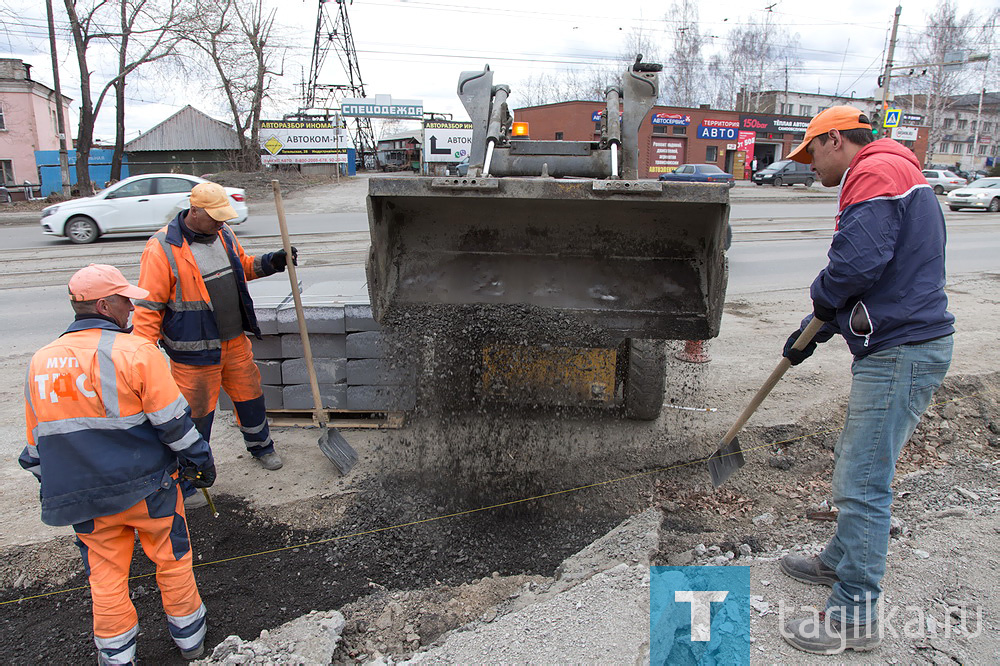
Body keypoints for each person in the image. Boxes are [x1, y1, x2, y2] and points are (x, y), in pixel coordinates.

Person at [776, 106, 954, 655]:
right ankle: (839, 560)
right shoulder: (897, 167)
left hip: (901, 350)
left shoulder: (873, 172)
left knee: (863, 481)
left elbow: (855, 265)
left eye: (811, 154)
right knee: (863, 467)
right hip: (901, 340)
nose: (810, 167)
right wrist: (825, 323)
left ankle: (853, 617)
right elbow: (879, 267)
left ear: (835, 140)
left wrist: (825, 302)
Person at [20, 264, 216, 664]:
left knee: (105, 577)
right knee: (172, 559)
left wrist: (65, 488)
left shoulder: (41, 360)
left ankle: (116, 655)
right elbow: (175, 425)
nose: (132, 307)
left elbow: (36, 449)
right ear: (104, 304)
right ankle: (191, 643)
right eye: (126, 300)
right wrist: (201, 463)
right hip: (148, 489)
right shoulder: (136, 352)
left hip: (85, 499)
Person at [133, 182, 295, 472]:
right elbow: (149, 306)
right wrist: (141, 353)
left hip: (234, 343)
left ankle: (261, 447)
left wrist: (273, 262)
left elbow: (242, 266)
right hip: (193, 353)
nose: (220, 222)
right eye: (214, 216)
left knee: (251, 399)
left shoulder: (224, 234)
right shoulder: (161, 249)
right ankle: (194, 469)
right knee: (196, 415)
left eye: (223, 217)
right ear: (194, 211)